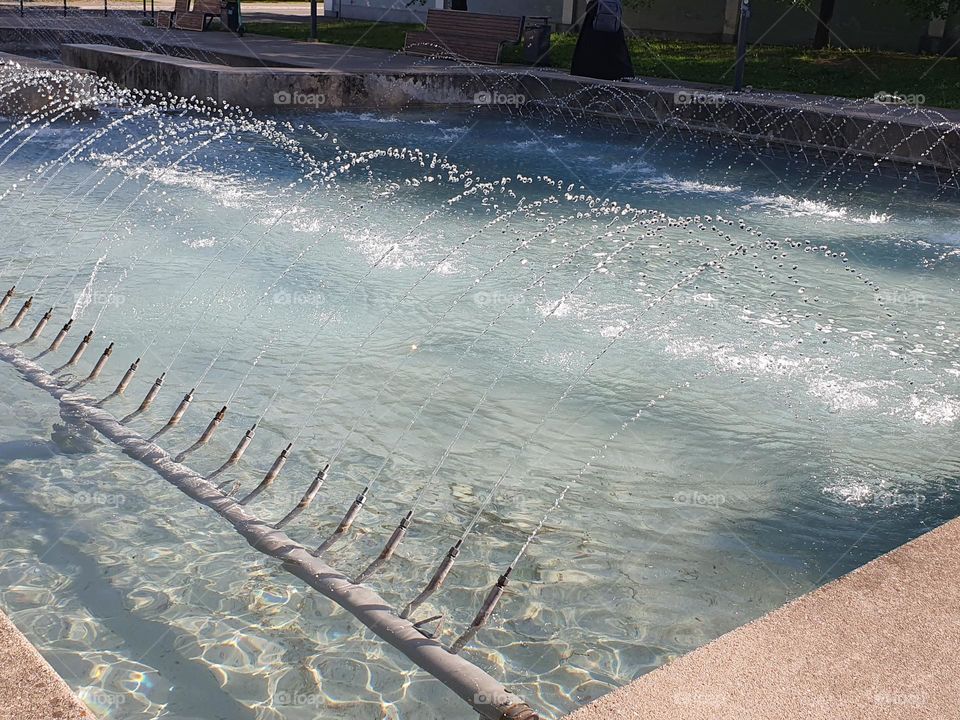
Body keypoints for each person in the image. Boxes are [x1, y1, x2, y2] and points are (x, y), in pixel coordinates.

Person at [570, 0, 635, 81]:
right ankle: (617, 73)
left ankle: (590, 71)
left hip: (601, 11)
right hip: (605, 12)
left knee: (593, 44)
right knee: (611, 42)